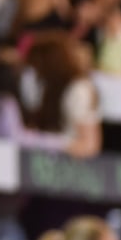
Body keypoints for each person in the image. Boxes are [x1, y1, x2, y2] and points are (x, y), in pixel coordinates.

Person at [24, 31, 103, 159]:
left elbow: (89, 145)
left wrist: (54, 144)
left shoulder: (79, 90)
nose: (36, 74)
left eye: (37, 66)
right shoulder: (48, 88)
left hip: (70, 164)